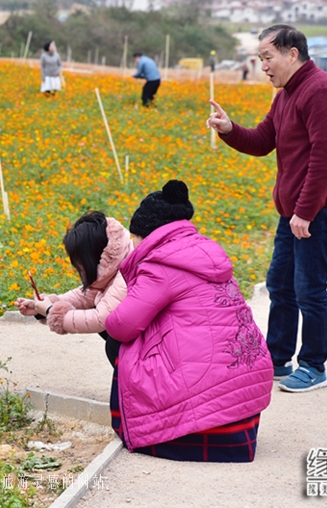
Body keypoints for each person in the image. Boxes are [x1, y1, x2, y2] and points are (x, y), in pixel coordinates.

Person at [206, 24, 327, 393]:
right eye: (260, 59)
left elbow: (326, 158)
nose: (264, 67)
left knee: (308, 288)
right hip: (295, 209)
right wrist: (228, 129)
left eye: (268, 57)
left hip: (319, 207)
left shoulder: (321, 90)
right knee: (280, 284)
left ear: (292, 54)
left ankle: (313, 366)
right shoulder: (287, 94)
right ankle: (277, 358)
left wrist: (305, 211)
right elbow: (261, 141)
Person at [105, 180, 273, 462]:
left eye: (134, 238)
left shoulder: (161, 262)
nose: (133, 246)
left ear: (146, 234)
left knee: (119, 343)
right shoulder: (204, 251)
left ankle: (164, 424)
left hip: (207, 391)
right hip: (244, 389)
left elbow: (121, 325)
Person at [14, 211, 133, 366]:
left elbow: (100, 319)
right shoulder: (114, 262)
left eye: (81, 265)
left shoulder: (126, 272)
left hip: (159, 349)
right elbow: (86, 295)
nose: (80, 270)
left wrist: (51, 312)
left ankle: (136, 386)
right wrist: (43, 306)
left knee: (114, 343)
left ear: (94, 257)